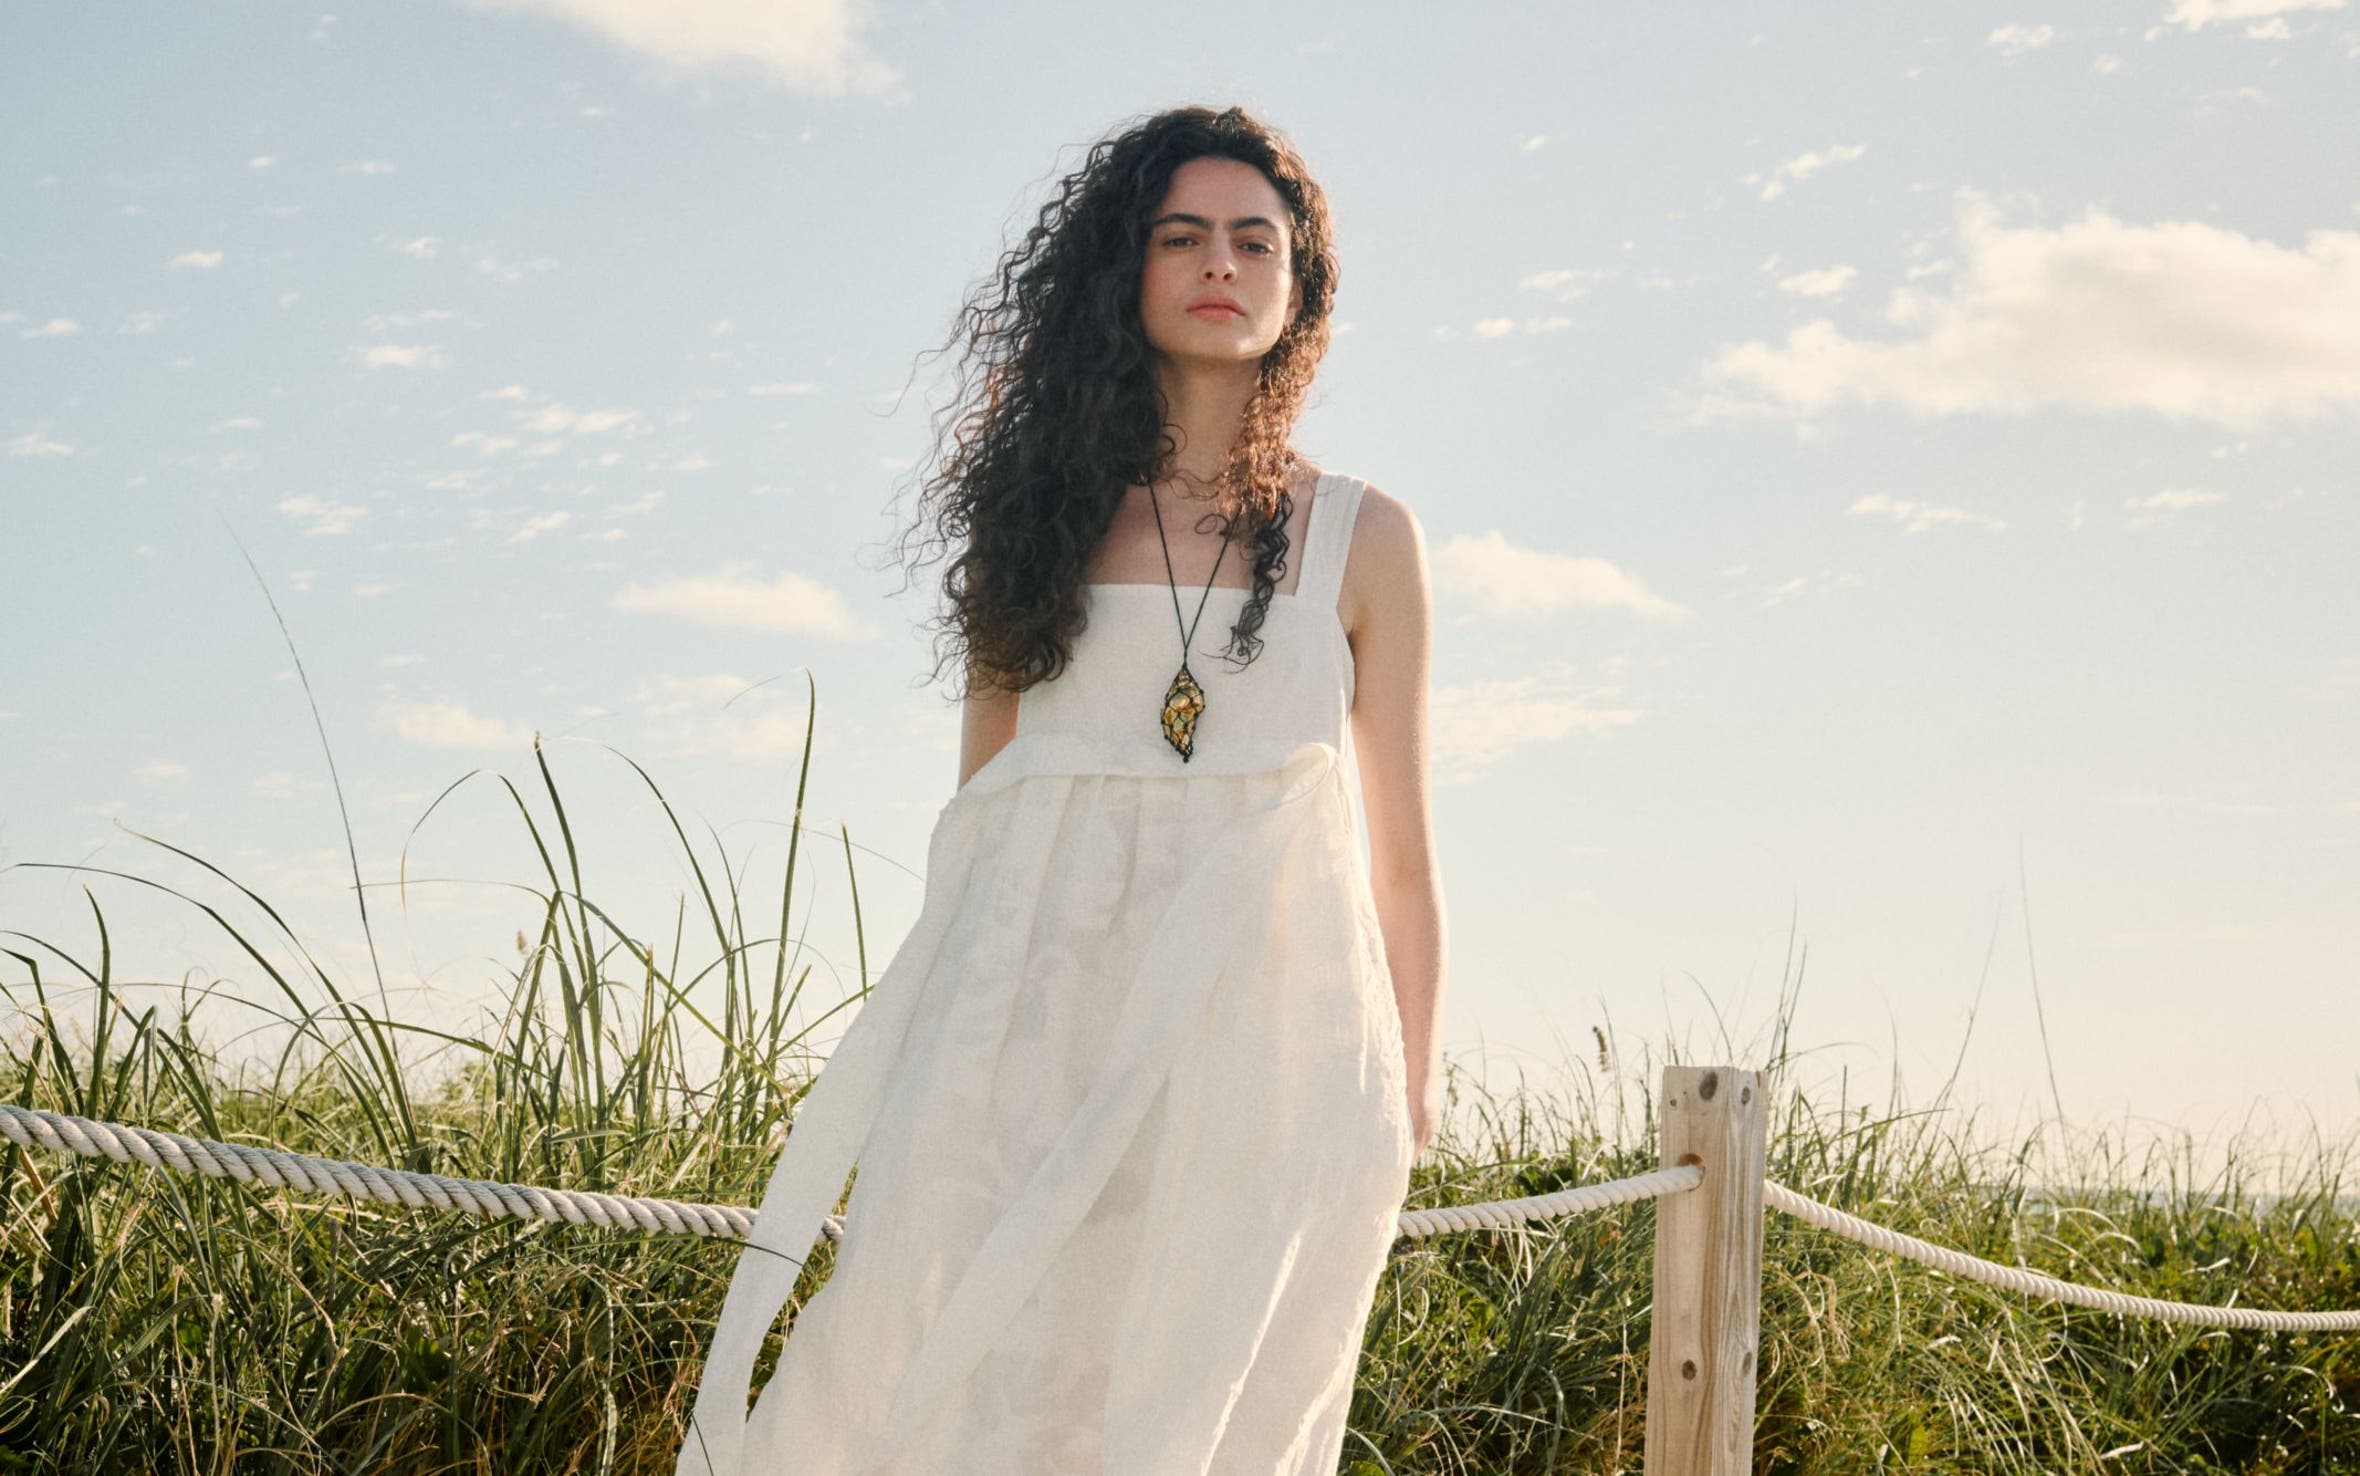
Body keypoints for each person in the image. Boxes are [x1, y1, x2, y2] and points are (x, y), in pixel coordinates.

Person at [677, 102, 1448, 1476]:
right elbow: (983, 812)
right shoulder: (1033, 521)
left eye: (1255, 243)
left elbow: (1399, 857)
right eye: (1183, 235)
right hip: (1036, 1028)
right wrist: (942, 1059)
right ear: (1127, 272)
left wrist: (1407, 1083)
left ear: (1299, 287)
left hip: (1265, 1057)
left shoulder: (1366, 538)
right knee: (965, 1382)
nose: (1222, 264)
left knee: (1212, 1414)